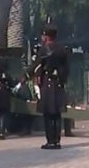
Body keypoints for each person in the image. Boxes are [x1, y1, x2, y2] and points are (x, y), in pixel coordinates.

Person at [28, 22, 70, 150]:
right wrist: (62, 80)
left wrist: (26, 76)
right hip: (58, 84)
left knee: (48, 114)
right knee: (57, 114)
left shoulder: (44, 49)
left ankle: (50, 141)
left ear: (46, 36)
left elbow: (36, 66)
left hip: (47, 84)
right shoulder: (62, 49)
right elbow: (67, 68)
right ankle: (57, 141)